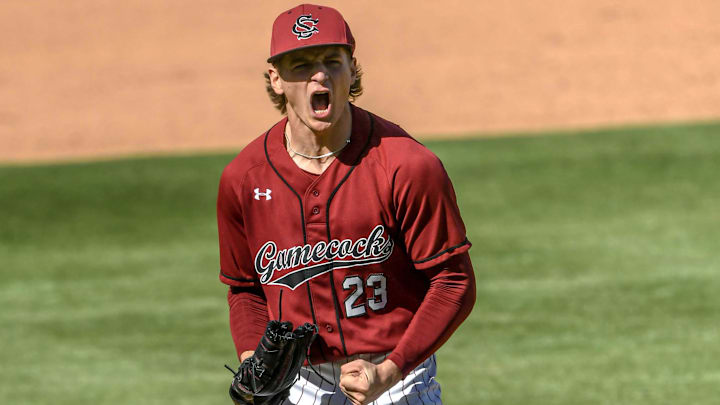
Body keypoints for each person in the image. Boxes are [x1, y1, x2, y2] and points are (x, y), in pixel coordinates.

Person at [216, 4, 476, 404]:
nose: (319, 75)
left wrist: (390, 370)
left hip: (397, 376)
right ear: (276, 79)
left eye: (332, 61)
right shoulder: (245, 179)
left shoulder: (407, 165)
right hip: (296, 381)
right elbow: (245, 289)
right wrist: (253, 361)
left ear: (352, 70)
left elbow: (453, 282)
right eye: (301, 64)